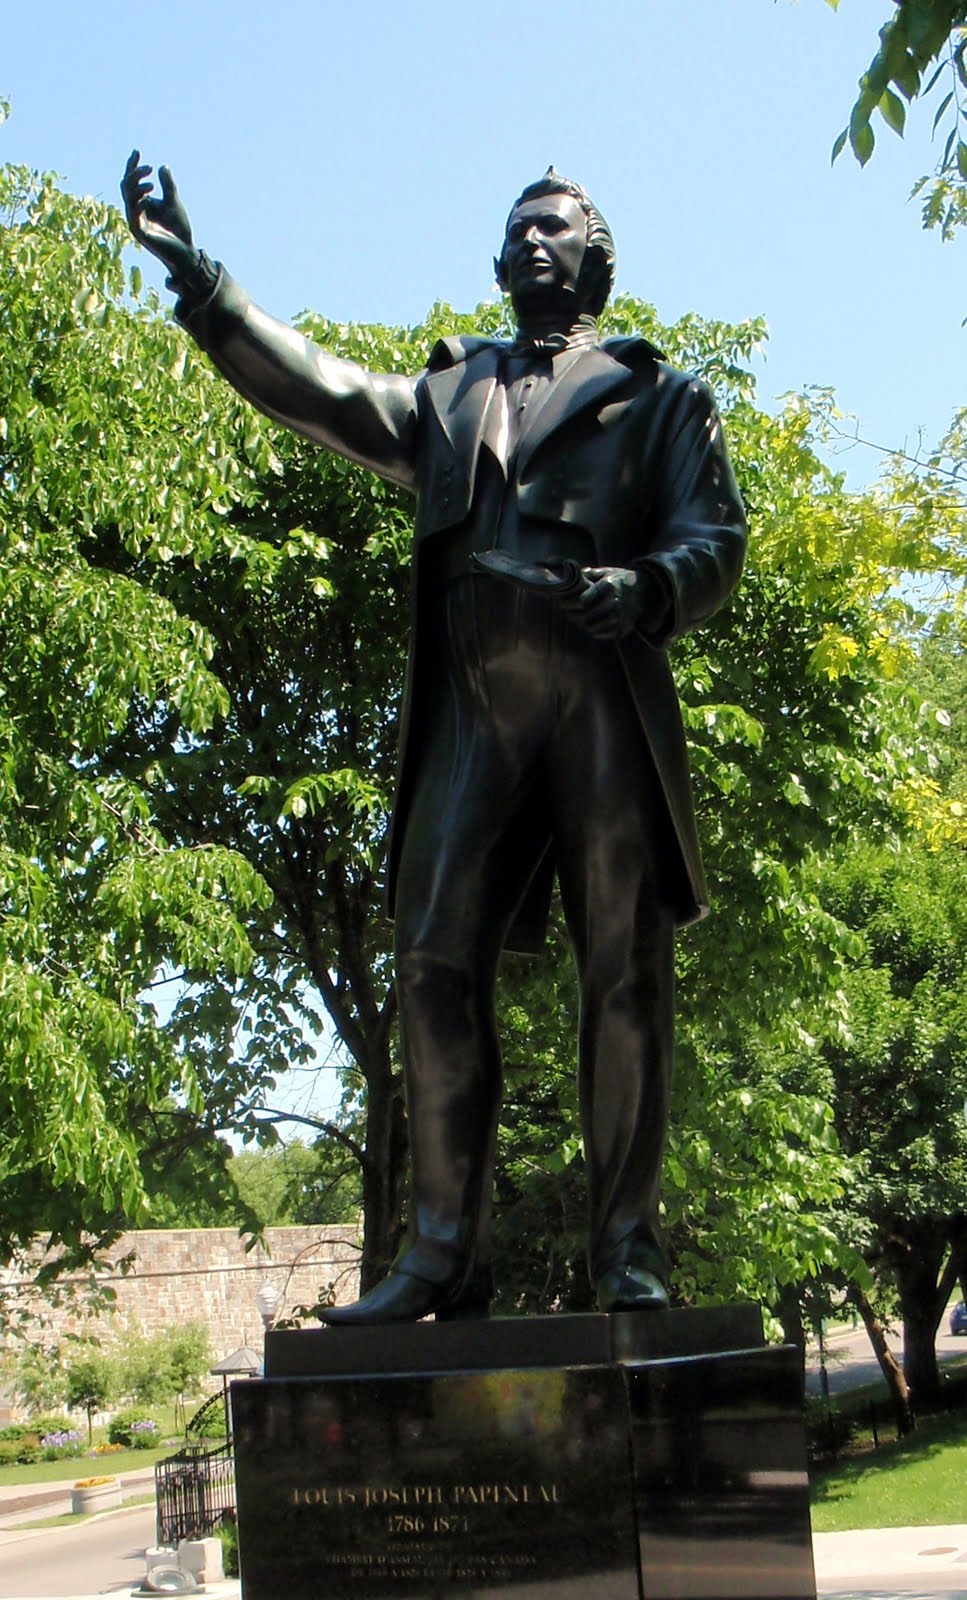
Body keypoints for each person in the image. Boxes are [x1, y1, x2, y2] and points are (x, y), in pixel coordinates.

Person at [121, 154, 747, 1324]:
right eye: (515, 228)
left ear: (595, 259)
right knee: (428, 956)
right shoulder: (450, 394)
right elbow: (320, 390)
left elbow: (714, 535)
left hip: (601, 701)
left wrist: (649, 585)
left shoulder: (659, 399)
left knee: (621, 975)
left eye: (554, 227)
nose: (531, 242)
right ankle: (441, 1254)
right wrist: (206, 287)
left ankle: (625, 1252)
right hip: (476, 714)